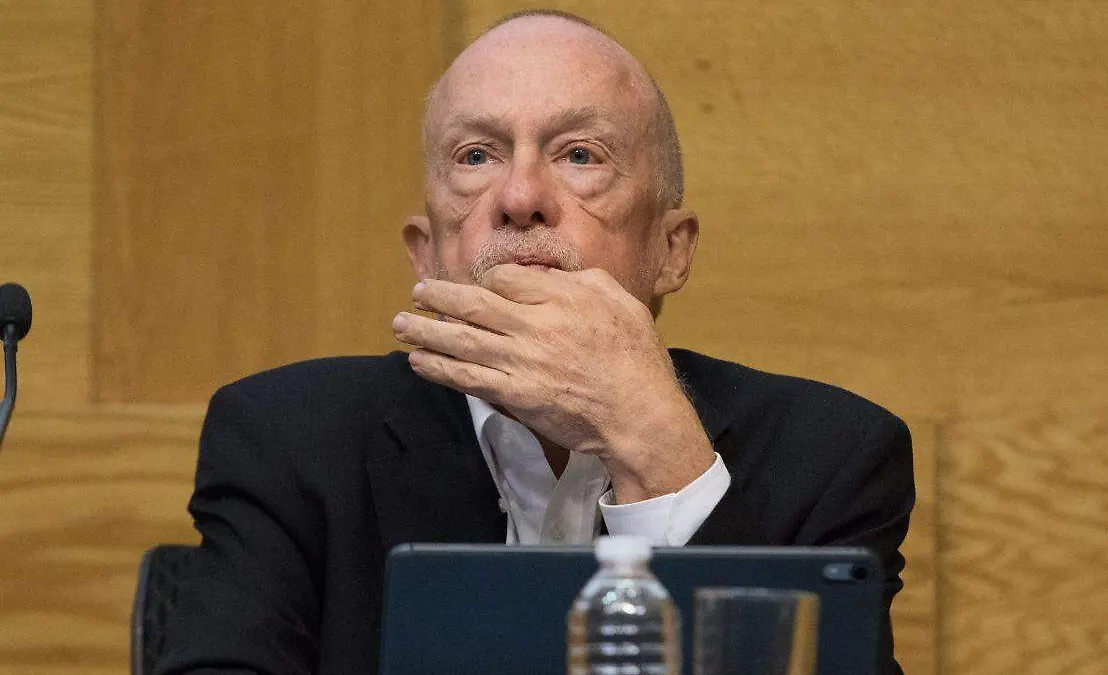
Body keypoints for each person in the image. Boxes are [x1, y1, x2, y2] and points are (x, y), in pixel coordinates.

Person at [155, 9, 915, 675]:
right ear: (427, 255)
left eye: (580, 154)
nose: (520, 198)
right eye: (476, 156)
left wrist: (658, 451)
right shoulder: (291, 442)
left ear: (671, 250)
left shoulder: (831, 460)